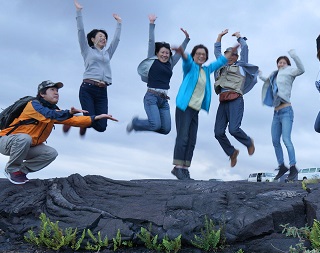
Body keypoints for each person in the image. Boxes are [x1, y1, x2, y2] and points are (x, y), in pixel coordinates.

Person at [0, 81, 117, 184]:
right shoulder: (33, 105)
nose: (56, 93)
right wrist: (69, 112)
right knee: (24, 138)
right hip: (7, 141)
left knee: (51, 153)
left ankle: (21, 171)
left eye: (57, 90)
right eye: (52, 90)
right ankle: (12, 170)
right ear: (42, 94)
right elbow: (49, 115)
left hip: (26, 146)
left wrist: (96, 117)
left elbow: (72, 120)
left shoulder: (54, 110)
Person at [171, 44, 238, 180]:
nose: (201, 56)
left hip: (195, 109)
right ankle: (178, 167)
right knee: (183, 137)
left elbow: (219, 62)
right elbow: (187, 60)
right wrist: (183, 53)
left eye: (203, 54)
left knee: (192, 140)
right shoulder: (190, 68)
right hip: (184, 107)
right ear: (194, 55)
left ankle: (184, 168)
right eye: (198, 54)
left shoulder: (206, 71)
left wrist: (232, 51)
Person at [126, 14, 189, 135]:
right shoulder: (152, 60)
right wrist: (151, 24)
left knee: (165, 129)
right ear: (157, 53)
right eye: (162, 52)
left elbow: (179, 53)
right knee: (155, 124)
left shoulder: (170, 64)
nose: (165, 55)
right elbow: (151, 42)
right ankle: (136, 123)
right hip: (151, 97)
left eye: (167, 53)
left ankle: (139, 126)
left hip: (164, 100)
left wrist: (186, 39)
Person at [66, 0, 121, 136]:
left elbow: (116, 41)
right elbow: (80, 31)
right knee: (89, 121)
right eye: (100, 36)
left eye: (105, 37)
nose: (104, 39)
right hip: (88, 89)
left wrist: (119, 23)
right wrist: (78, 12)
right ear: (92, 39)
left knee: (101, 127)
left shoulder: (108, 53)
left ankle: (81, 121)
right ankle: (73, 120)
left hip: (102, 91)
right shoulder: (87, 50)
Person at [213, 30, 259, 168]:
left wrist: (239, 38)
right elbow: (216, 52)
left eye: (232, 55)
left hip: (235, 99)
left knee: (233, 129)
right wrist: (219, 36)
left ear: (236, 56)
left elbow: (245, 48)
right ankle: (232, 152)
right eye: (227, 55)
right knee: (218, 132)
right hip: (223, 101)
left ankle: (248, 142)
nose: (229, 57)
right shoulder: (222, 66)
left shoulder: (241, 66)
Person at [259, 50, 305, 181]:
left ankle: (293, 166)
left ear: (288, 64)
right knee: (274, 140)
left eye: (284, 62)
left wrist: (294, 55)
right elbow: (267, 81)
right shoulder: (275, 75)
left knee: (286, 139)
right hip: (276, 113)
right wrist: (259, 74)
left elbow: (302, 69)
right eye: (279, 62)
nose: (281, 64)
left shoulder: (290, 72)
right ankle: (281, 166)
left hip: (286, 111)